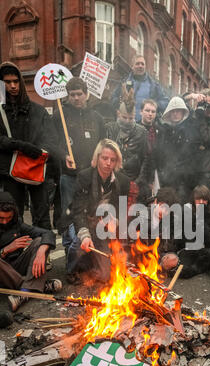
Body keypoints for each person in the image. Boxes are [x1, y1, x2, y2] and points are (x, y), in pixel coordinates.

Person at [66, 139, 135, 284]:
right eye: (105, 158)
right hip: (82, 220)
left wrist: (114, 221)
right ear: (97, 157)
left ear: (117, 162)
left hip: (102, 225)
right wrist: (85, 235)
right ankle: (72, 269)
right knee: (80, 242)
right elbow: (77, 211)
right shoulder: (84, 177)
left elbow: (121, 210)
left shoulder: (123, 181)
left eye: (113, 159)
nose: (108, 163)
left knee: (105, 276)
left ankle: (91, 263)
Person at [0, 61, 59, 230]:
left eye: (16, 81)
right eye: (7, 82)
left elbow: (51, 139)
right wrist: (22, 146)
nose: (12, 86)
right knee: (12, 216)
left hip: (35, 168)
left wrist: (40, 152)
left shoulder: (37, 110)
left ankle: (43, 250)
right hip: (9, 171)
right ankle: (15, 253)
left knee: (41, 215)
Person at [52, 76, 106, 216]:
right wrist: (64, 156)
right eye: (72, 94)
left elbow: (103, 144)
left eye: (79, 94)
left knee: (91, 213)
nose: (76, 98)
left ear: (86, 94)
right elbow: (51, 143)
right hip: (69, 176)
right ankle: (70, 238)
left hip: (92, 174)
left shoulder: (97, 118)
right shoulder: (59, 116)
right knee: (69, 214)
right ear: (68, 95)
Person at [0, 192, 61, 312]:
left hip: (16, 266)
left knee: (40, 242)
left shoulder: (16, 223)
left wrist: (41, 252)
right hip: (2, 273)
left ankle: (24, 293)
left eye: (8, 218)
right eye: (1, 218)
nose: (5, 222)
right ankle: (35, 286)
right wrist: (5, 250)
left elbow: (47, 233)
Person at [106, 86, 151, 202]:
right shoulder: (109, 128)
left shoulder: (142, 132)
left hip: (133, 182)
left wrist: (138, 181)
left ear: (135, 115)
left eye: (130, 118)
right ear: (118, 113)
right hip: (111, 181)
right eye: (124, 117)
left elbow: (146, 159)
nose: (127, 121)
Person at [157, 96, 199, 204]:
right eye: (173, 111)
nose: (175, 114)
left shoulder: (191, 130)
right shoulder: (163, 131)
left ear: (183, 112)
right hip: (167, 179)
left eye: (178, 111)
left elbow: (194, 155)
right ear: (169, 113)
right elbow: (159, 155)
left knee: (183, 212)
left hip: (185, 180)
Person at [178, 185, 210, 278]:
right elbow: (183, 237)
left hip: (204, 247)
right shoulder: (186, 210)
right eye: (198, 199)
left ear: (208, 201)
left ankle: (193, 271)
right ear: (193, 200)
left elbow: (208, 237)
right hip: (189, 247)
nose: (201, 203)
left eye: (204, 200)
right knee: (183, 263)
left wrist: (200, 217)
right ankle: (202, 267)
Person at [111, 55, 169, 121]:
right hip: (128, 123)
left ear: (145, 67)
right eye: (137, 64)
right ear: (132, 66)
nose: (140, 66)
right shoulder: (124, 83)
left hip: (147, 125)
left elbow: (166, 102)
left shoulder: (154, 85)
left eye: (142, 64)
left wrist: (155, 105)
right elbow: (113, 98)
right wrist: (119, 102)